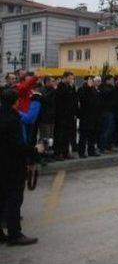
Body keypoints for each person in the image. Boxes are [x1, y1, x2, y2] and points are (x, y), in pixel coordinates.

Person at [0, 89, 46, 246]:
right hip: (12, 166)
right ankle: (15, 234)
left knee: (2, 199)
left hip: (3, 165)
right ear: (15, 102)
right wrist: (35, 150)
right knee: (14, 200)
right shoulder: (13, 119)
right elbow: (17, 145)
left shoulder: (2, 114)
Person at [54, 71, 77, 160]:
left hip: (69, 116)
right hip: (61, 116)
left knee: (67, 135)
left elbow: (74, 99)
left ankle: (66, 152)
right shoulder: (60, 86)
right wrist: (70, 88)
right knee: (60, 135)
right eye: (70, 78)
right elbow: (62, 97)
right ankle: (58, 153)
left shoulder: (71, 87)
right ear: (65, 77)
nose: (72, 80)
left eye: (72, 78)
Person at [77, 77, 101, 158]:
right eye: (90, 80)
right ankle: (82, 152)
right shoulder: (82, 89)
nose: (91, 82)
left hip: (94, 116)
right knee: (83, 136)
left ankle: (91, 151)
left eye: (92, 80)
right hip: (85, 116)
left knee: (92, 135)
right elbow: (83, 99)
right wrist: (88, 88)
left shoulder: (95, 89)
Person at [98, 75, 116, 153]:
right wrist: (113, 87)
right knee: (105, 130)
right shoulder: (103, 87)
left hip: (111, 111)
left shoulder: (110, 87)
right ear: (107, 80)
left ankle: (109, 146)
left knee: (111, 130)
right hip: (105, 112)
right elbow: (108, 93)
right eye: (112, 80)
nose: (113, 81)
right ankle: (102, 148)